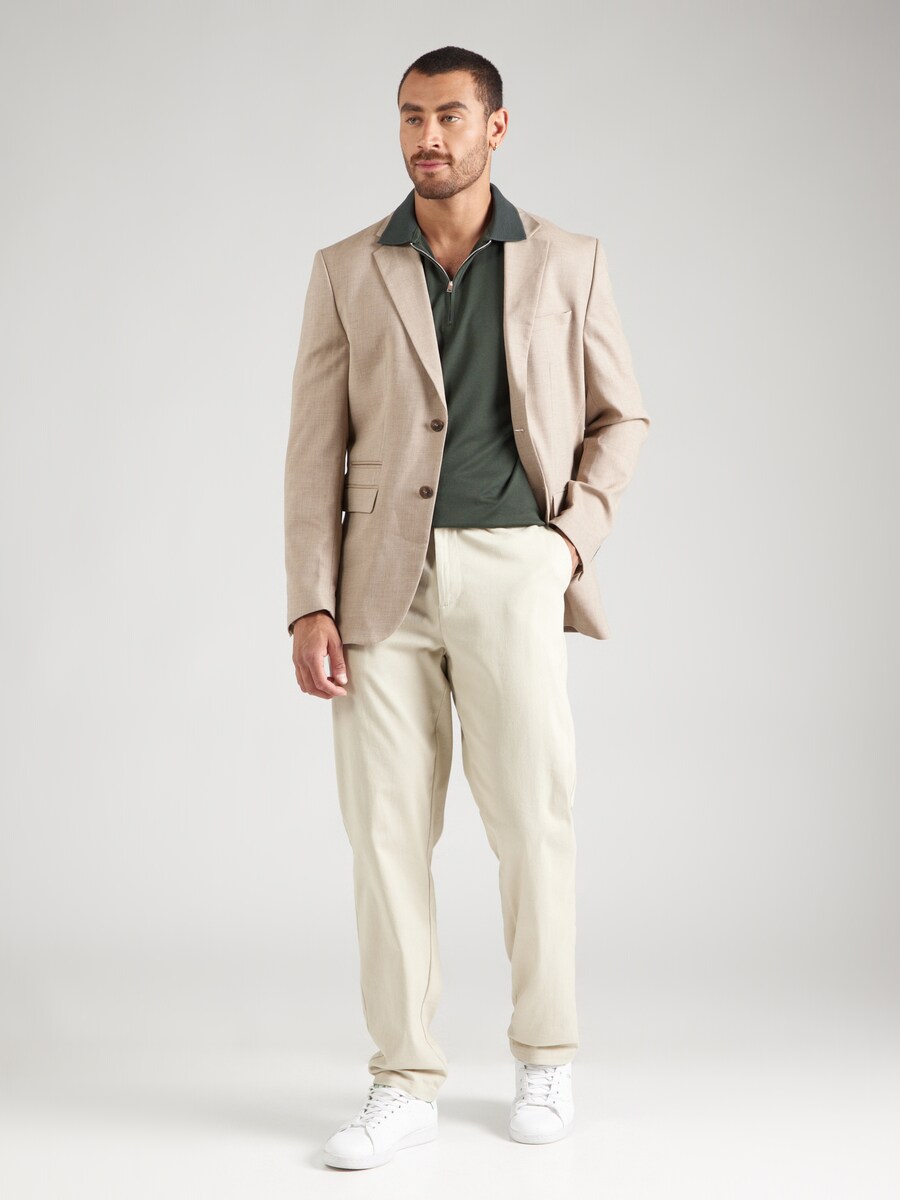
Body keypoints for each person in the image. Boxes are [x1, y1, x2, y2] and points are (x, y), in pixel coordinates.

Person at [284, 45, 650, 1171]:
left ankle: (546, 1054)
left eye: (449, 116)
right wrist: (308, 603)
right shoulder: (348, 267)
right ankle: (403, 1081)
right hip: (377, 591)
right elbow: (313, 452)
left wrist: (566, 543)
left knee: (532, 823)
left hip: (512, 571)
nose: (427, 137)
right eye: (411, 117)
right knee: (385, 838)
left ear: (496, 127)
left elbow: (623, 418)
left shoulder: (568, 260)